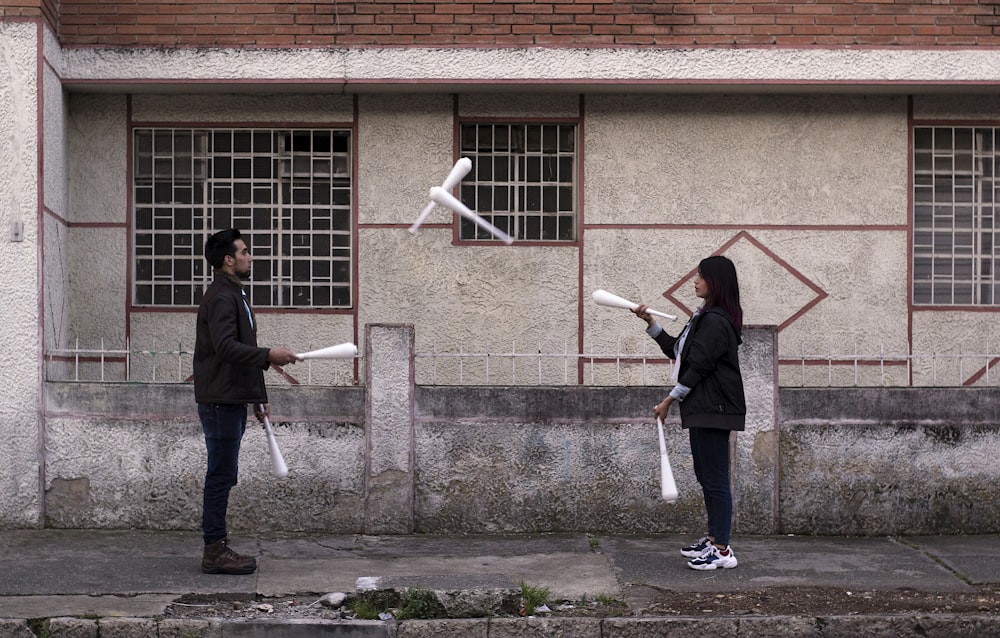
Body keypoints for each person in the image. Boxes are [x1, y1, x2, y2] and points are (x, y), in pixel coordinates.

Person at [193, 228, 299, 575]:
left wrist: (258, 398)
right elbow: (226, 348)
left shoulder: (233, 294)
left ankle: (217, 545)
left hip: (231, 398)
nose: (249, 257)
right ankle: (214, 550)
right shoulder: (222, 297)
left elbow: (244, 352)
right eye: (244, 252)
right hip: (220, 401)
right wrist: (269, 353)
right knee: (221, 475)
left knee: (224, 474)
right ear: (229, 260)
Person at [632, 255, 746, 571]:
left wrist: (669, 400)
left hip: (715, 408)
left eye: (700, 276)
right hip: (703, 408)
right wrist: (651, 324)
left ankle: (722, 550)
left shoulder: (716, 321)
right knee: (706, 476)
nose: (694, 281)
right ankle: (714, 538)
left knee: (716, 478)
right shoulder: (703, 318)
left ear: (716, 282)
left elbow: (698, 368)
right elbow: (676, 352)